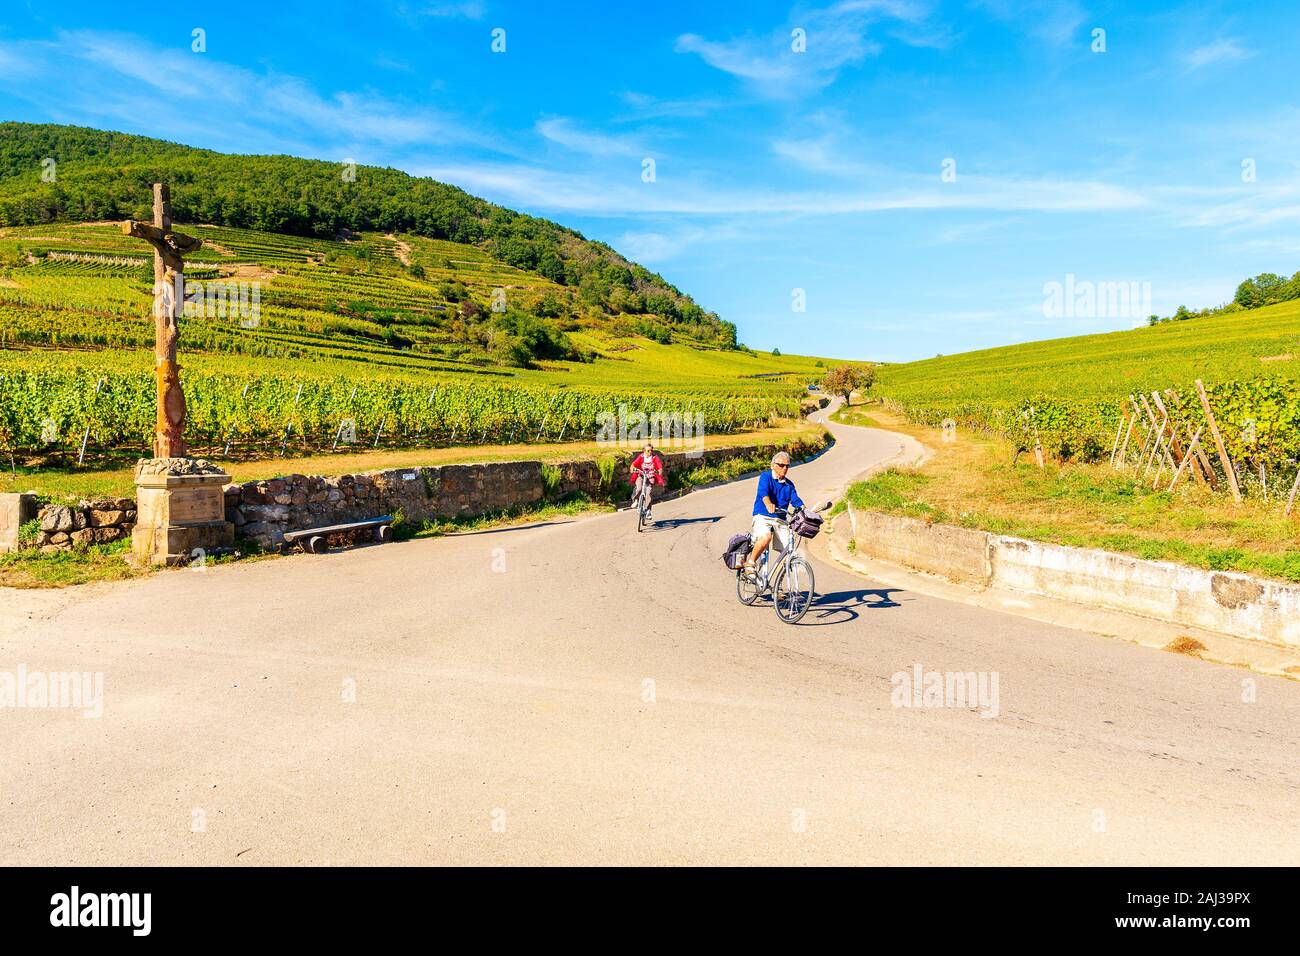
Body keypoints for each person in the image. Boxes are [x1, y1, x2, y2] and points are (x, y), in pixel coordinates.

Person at [744, 450, 803, 573]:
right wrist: (768, 504)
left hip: (780, 519)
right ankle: (750, 563)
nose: (785, 468)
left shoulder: (789, 485)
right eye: (781, 465)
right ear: (773, 465)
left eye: (787, 465)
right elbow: (763, 493)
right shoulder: (765, 477)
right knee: (766, 537)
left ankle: (778, 585)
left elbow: (796, 500)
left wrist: (806, 511)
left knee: (789, 550)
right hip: (763, 516)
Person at [629, 443, 665, 517]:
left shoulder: (655, 457)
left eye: (651, 450)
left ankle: (648, 511)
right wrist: (632, 469)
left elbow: (659, 466)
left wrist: (659, 471)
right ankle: (636, 500)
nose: (650, 452)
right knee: (639, 488)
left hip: (651, 476)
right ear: (644, 451)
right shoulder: (641, 456)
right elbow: (634, 464)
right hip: (641, 475)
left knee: (648, 492)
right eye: (648, 450)